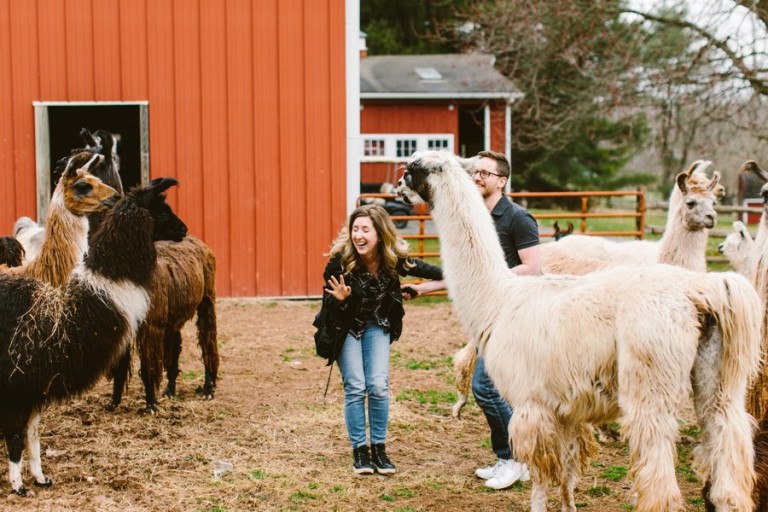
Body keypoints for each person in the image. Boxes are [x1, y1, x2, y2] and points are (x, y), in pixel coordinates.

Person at [317, 204, 444, 475]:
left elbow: (444, 275)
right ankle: (360, 451)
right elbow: (328, 309)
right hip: (346, 326)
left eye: (365, 229)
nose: (358, 235)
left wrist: (421, 289)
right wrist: (339, 300)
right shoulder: (339, 261)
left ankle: (379, 448)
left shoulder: (394, 259)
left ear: (380, 233)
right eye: (355, 229)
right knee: (356, 386)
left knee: (377, 385)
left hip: (378, 325)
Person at [470, 150, 541, 490]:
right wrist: (425, 288)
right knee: (501, 392)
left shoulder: (516, 217)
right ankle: (513, 459)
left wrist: (495, 279)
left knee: (484, 387)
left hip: (511, 316)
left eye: (485, 172)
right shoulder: (474, 218)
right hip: (486, 315)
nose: (477, 177)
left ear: (501, 180)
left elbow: (533, 267)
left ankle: (515, 458)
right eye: (475, 171)